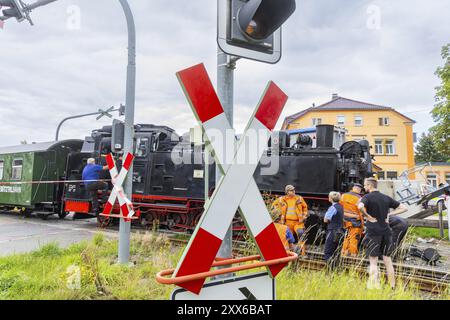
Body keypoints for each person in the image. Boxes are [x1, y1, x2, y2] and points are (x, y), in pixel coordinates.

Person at [358, 177, 408, 289]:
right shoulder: (385, 198)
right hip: (386, 232)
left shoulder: (367, 197)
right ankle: (392, 286)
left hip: (373, 232)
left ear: (370, 186)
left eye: (365, 185)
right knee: (388, 260)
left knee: (373, 261)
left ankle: (373, 286)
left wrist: (367, 216)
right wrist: (390, 215)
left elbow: (360, 206)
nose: (364, 187)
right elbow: (404, 208)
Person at [271, 185, 309, 257]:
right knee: (288, 238)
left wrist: (304, 216)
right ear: (287, 192)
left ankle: (303, 253)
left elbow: (305, 208)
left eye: (294, 190)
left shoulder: (299, 198)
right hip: (287, 223)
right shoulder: (281, 199)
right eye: (291, 190)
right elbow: (273, 205)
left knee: (301, 234)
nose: (293, 191)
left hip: (298, 223)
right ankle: (289, 253)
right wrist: (277, 212)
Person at [341, 183, 364, 257]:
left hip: (345, 220)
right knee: (354, 237)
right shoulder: (359, 198)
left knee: (347, 236)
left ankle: (344, 252)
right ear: (359, 190)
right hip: (355, 221)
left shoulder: (344, 195)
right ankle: (353, 254)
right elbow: (361, 212)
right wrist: (362, 223)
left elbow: (340, 206)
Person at [323, 191, 345, 269]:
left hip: (333, 232)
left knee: (328, 252)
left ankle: (329, 270)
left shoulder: (332, 207)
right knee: (337, 252)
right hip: (341, 232)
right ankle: (336, 270)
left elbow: (326, 220)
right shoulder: (341, 207)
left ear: (331, 198)